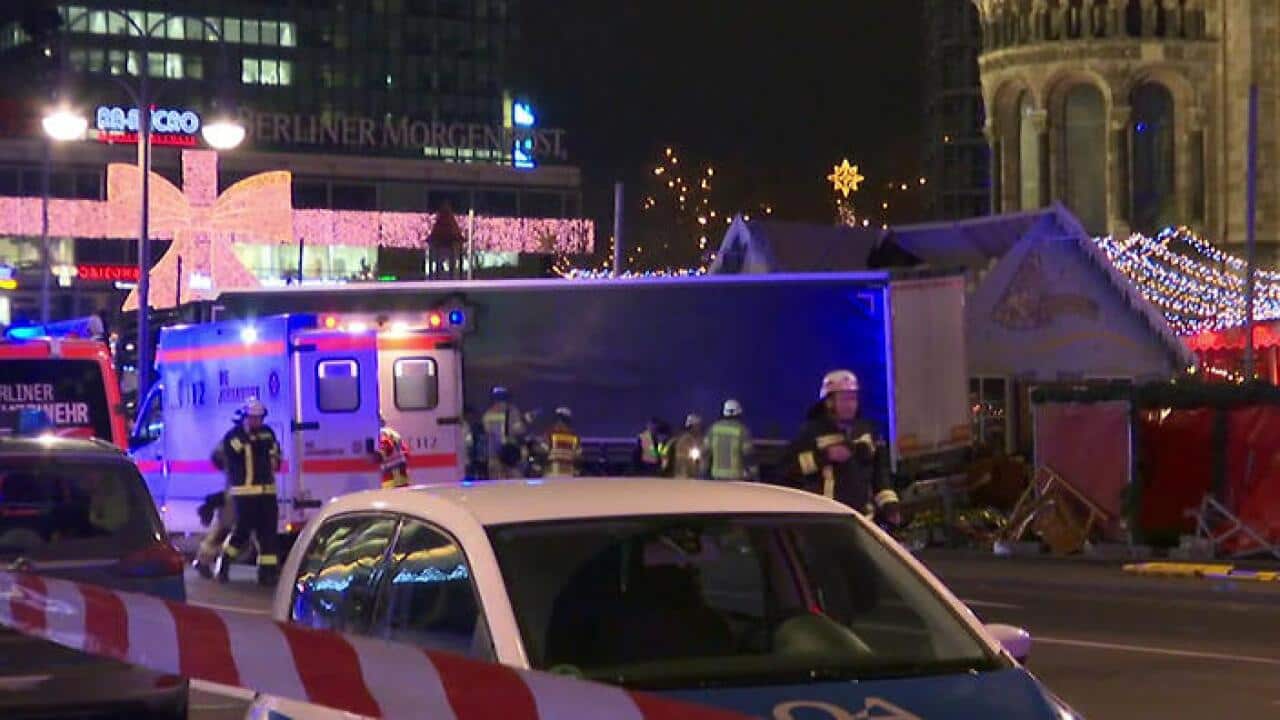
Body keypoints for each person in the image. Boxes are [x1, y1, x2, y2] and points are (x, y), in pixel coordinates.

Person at [786, 370, 900, 526]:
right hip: (828, 520)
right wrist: (825, 456)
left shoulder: (867, 431)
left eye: (853, 398)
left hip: (864, 520)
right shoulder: (811, 433)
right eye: (845, 399)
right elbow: (788, 470)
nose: (851, 405)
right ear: (829, 402)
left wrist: (890, 506)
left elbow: (880, 474)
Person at [214, 398, 283, 585]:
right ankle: (224, 563)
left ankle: (267, 573)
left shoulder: (268, 433)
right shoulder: (234, 436)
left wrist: (274, 456)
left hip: (267, 493)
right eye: (253, 418)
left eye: (259, 418)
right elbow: (234, 452)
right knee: (242, 533)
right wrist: (250, 438)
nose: (256, 422)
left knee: (268, 534)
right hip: (244, 494)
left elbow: (275, 453)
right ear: (244, 417)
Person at [193, 409, 244, 579]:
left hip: (239, 490)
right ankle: (204, 560)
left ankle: (209, 562)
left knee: (229, 528)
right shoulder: (232, 439)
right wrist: (231, 467)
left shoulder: (245, 438)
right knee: (223, 528)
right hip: (234, 491)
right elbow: (216, 457)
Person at [482, 386, 527, 480]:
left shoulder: (488, 414)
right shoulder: (511, 412)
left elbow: (519, 429)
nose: (501, 402)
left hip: (508, 455)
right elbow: (519, 430)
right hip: (498, 455)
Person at [706, 399, 755, 481]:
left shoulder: (713, 428)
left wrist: (703, 473)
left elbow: (705, 452)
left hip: (716, 476)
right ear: (738, 413)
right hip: (736, 477)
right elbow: (748, 454)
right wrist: (753, 473)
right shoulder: (742, 430)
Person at [372, 415, 411, 488]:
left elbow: (387, 447)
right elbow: (406, 452)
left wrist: (375, 457)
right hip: (402, 475)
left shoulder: (381, 433)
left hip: (391, 478)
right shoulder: (393, 432)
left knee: (390, 497)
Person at [543, 406, 582, 478]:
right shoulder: (575, 436)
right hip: (568, 474)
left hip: (552, 474)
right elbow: (578, 456)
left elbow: (542, 452)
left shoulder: (550, 434)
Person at [668, 413, 710, 479]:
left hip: (694, 475)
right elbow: (682, 460)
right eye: (697, 425)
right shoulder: (683, 439)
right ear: (692, 426)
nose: (699, 428)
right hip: (684, 475)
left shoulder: (700, 439)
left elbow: (703, 452)